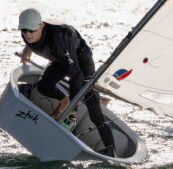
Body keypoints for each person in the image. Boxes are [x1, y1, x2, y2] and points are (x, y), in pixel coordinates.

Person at [17, 8, 116, 156]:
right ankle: (63, 100)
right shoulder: (28, 33)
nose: (28, 34)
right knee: (44, 86)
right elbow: (31, 39)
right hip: (60, 60)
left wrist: (72, 110)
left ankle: (110, 149)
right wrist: (27, 49)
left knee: (93, 109)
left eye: (31, 30)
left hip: (81, 61)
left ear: (41, 26)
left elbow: (76, 74)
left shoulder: (58, 39)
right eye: (24, 30)